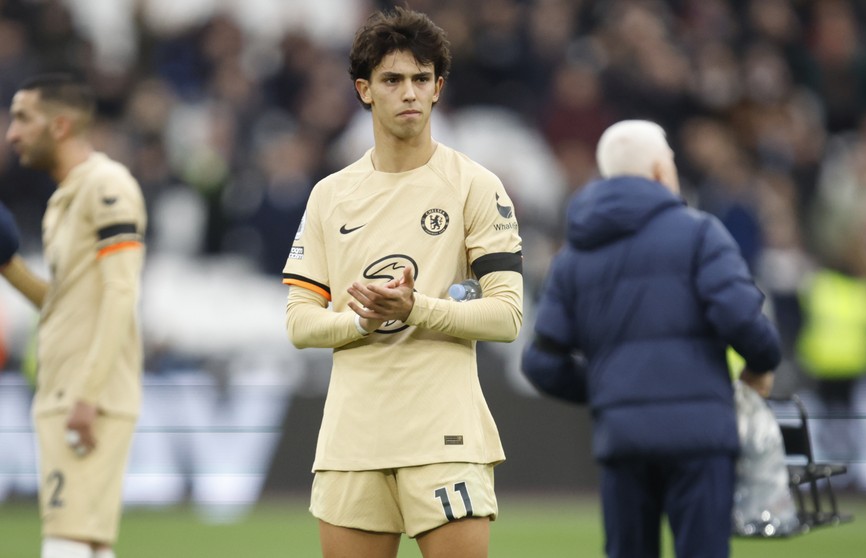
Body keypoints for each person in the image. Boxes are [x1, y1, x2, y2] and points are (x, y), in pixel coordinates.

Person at [282, 7, 523, 558]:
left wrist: (416, 309)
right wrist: (361, 321)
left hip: (444, 437)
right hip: (352, 440)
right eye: (392, 80)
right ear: (365, 90)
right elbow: (299, 323)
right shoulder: (329, 195)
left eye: (421, 79)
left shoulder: (475, 186)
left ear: (439, 88)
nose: (409, 92)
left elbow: (507, 315)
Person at [521, 120, 781, 558]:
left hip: (623, 438)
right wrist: (761, 364)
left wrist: (610, 389)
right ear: (661, 171)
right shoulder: (700, 234)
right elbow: (742, 318)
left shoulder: (574, 256)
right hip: (700, 437)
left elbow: (541, 362)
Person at [2, 74, 147, 558]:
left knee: (65, 540)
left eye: (23, 118)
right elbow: (66, 302)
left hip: (85, 397)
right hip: (67, 390)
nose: (12, 133)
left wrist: (86, 396)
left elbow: (121, 292)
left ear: (60, 126)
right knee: (88, 543)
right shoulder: (65, 199)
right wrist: (8, 265)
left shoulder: (106, 187)